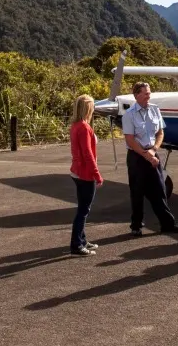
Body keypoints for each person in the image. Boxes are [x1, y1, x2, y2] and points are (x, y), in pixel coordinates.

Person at [122, 81, 178, 237]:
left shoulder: (155, 109)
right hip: (137, 156)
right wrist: (146, 155)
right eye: (145, 93)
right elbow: (130, 139)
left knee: (159, 190)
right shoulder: (129, 114)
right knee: (137, 193)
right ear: (137, 95)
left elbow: (160, 133)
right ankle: (136, 226)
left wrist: (154, 150)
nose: (149, 96)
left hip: (152, 153)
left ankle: (167, 224)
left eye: (149, 93)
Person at [69, 94, 103, 255]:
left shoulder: (76, 125)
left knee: (83, 208)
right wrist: (97, 174)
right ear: (88, 108)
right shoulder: (84, 127)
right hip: (84, 174)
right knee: (83, 210)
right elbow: (88, 154)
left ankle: (82, 239)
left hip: (77, 171)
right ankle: (76, 244)